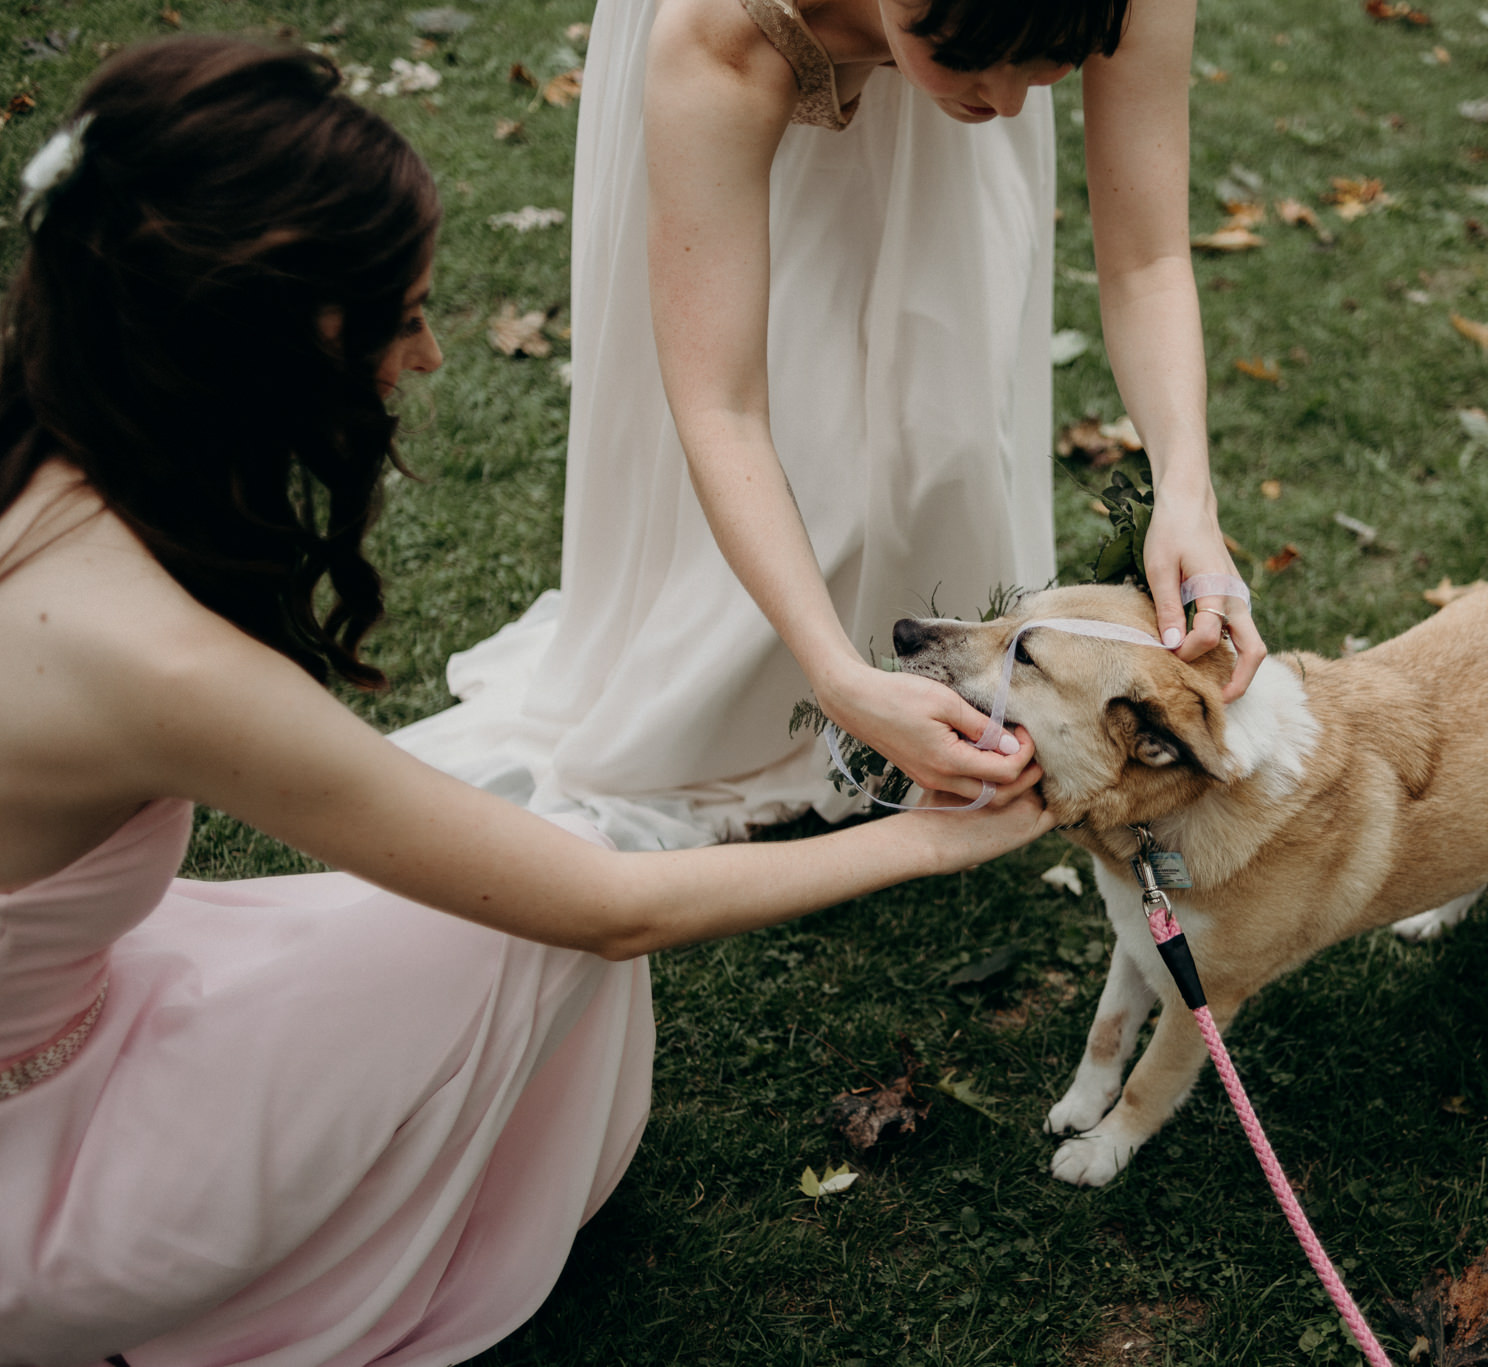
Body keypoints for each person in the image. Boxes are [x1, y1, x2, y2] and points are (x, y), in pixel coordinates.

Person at [0, 38, 1051, 1366]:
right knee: (556, 897)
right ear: (275, 333)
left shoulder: (49, 445)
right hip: (38, 1177)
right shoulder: (152, 662)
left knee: (526, 865)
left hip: (63, 1014)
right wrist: (932, 836)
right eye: (406, 314)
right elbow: (607, 913)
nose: (431, 355)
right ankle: (318, 1267)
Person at [388, 0, 1267, 849]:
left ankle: (921, 690)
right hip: (770, 57)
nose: (1003, 105)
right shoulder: (722, 34)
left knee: (947, 435)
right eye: (973, 63)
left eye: (1049, 72)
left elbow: (1147, 258)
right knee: (797, 409)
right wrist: (840, 681)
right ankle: (765, 691)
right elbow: (722, 406)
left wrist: (1186, 492)